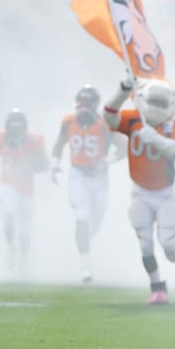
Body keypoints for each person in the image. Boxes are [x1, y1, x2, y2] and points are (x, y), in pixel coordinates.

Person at [105, 78, 175, 304]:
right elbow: (109, 118)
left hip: (164, 194)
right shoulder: (134, 119)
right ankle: (157, 287)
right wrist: (121, 91)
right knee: (145, 245)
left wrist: (158, 140)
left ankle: (173, 238)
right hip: (140, 192)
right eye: (154, 102)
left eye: (162, 104)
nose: (157, 108)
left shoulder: (173, 126)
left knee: (170, 247)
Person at [50, 85, 120, 283]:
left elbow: (122, 148)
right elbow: (59, 143)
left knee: (96, 222)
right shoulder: (68, 121)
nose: (84, 108)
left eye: (88, 104)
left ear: (95, 105)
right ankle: (85, 267)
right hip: (78, 174)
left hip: (99, 178)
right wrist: (55, 164)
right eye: (82, 103)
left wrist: (107, 161)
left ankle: (83, 247)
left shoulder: (106, 123)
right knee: (82, 217)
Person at [0, 109, 49, 273]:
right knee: (9, 216)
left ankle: (25, 259)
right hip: (7, 184)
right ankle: (10, 246)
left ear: (24, 128)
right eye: (12, 128)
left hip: (27, 188)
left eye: (18, 128)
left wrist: (31, 166)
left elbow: (45, 164)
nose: (15, 132)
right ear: (7, 128)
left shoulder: (35, 140)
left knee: (25, 227)